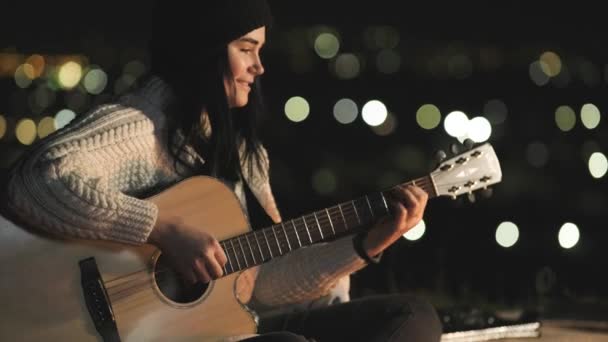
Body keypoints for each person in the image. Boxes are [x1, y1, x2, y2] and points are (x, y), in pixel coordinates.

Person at [6, 1, 442, 341]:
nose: (259, 67)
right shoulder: (141, 127)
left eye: (260, 51)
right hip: (122, 330)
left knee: (412, 318)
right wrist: (163, 230)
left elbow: (260, 285)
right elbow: (39, 180)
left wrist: (366, 244)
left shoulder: (242, 153)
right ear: (205, 52)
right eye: (246, 49)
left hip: (212, 329)